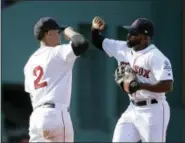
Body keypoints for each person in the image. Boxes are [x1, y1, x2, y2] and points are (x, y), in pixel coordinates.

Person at [91, 16, 173, 142]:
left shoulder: (156, 57)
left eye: (133, 33)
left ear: (145, 38)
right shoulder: (123, 48)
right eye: (129, 32)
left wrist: (140, 86)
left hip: (154, 110)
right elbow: (97, 42)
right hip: (132, 109)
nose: (128, 35)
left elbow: (167, 85)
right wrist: (95, 30)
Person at [24, 17, 89, 142]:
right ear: (49, 33)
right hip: (55, 114)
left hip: (36, 118)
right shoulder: (57, 52)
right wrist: (69, 32)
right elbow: (81, 43)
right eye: (58, 32)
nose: (60, 35)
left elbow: (30, 93)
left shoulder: (30, 62)